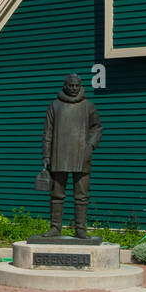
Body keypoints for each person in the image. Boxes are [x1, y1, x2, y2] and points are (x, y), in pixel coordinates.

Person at [42, 73, 102, 238]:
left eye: (77, 85)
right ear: (65, 86)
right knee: (56, 195)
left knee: (81, 196)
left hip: (82, 156)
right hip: (58, 156)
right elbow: (48, 132)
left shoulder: (88, 106)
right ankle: (55, 228)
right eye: (71, 85)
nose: (74, 88)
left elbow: (97, 128)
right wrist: (46, 156)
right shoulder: (55, 106)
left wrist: (90, 146)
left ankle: (80, 229)